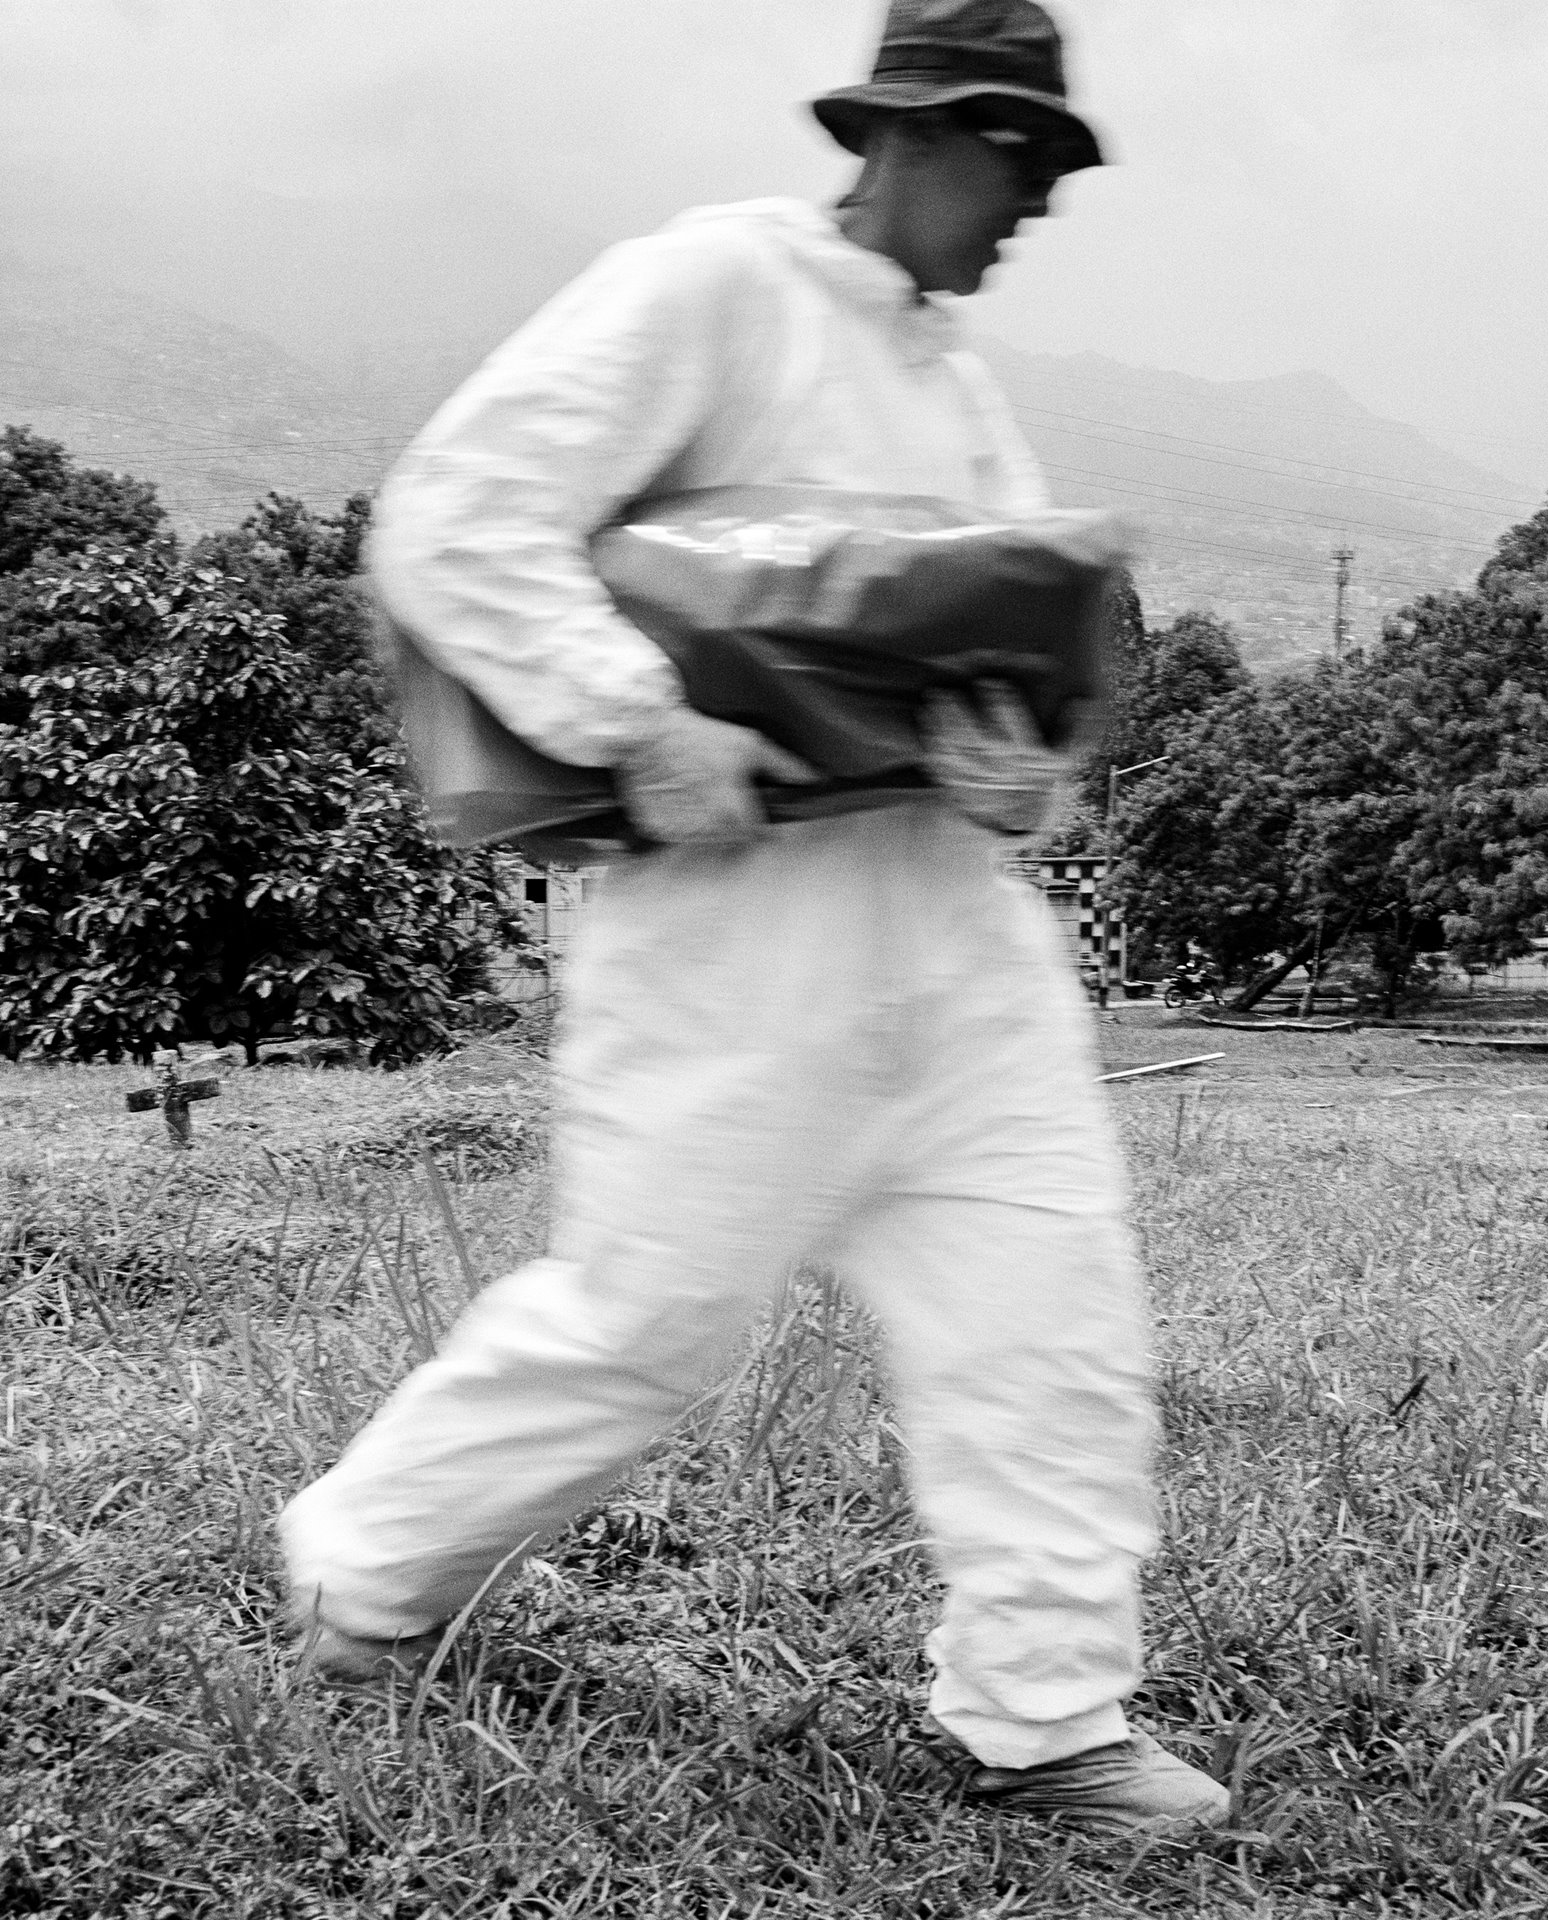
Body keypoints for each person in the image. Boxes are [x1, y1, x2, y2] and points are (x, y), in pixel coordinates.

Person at [278, 0, 1229, 1838]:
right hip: (733, 947)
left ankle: (1047, 1726)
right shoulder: (713, 285)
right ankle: (367, 1566)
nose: (1034, 195)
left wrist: (1017, 774)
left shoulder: (956, 385)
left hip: (957, 951)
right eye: (1007, 152)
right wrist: (635, 718)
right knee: (644, 1328)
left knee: (1053, 1323)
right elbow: (459, 520)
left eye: (1051, 159)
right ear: (899, 135)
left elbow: (1008, 682)